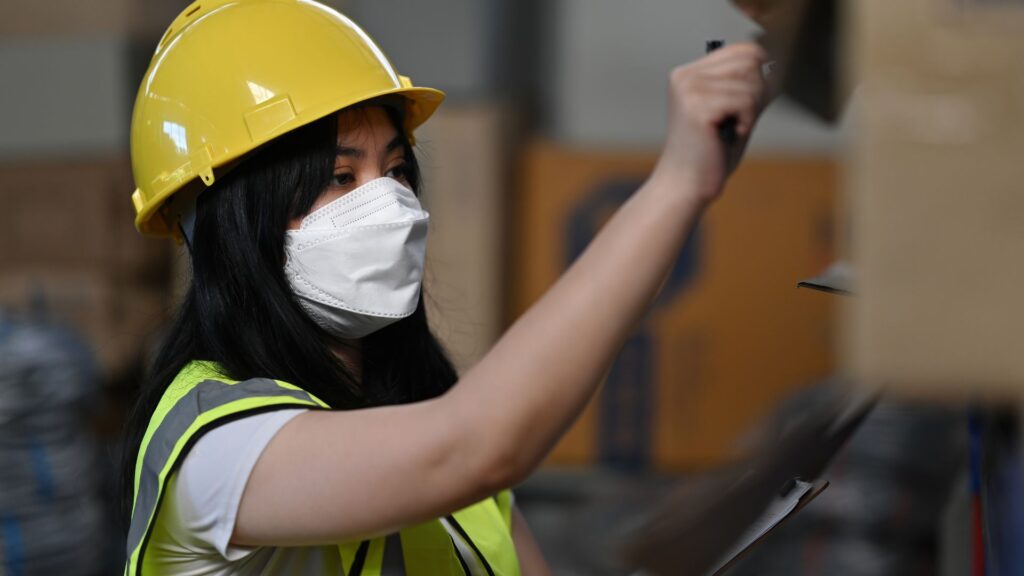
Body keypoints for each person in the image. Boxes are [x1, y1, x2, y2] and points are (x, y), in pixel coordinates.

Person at [120, 1, 770, 574]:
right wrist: (679, 183)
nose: (389, 204)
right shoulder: (214, 444)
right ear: (236, 224)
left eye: (396, 169)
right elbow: (479, 445)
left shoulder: (418, 407)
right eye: (341, 177)